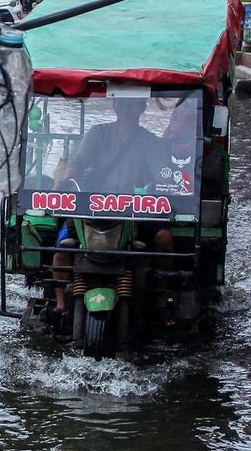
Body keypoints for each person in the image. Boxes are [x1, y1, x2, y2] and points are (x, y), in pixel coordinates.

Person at [50, 97, 172, 313]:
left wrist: (163, 189)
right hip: (93, 205)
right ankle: (60, 304)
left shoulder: (151, 142)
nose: (127, 108)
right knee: (61, 249)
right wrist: (67, 181)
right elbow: (78, 163)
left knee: (164, 238)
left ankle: (162, 297)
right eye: (122, 103)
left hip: (136, 208)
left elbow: (163, 177)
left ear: (142, 107)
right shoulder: (98, 133)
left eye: (132, 103)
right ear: (115, 105)